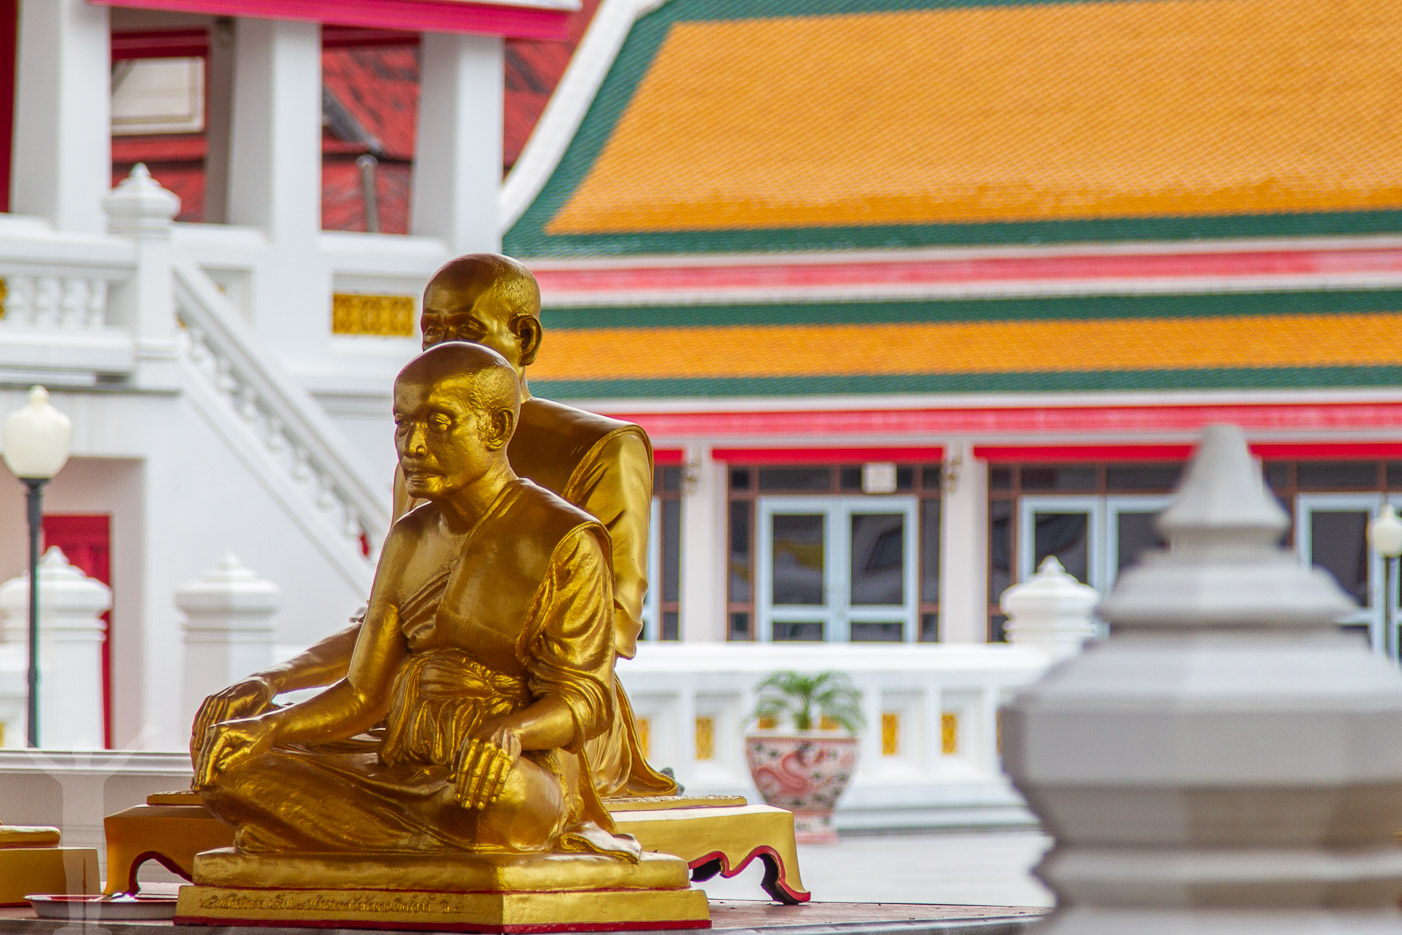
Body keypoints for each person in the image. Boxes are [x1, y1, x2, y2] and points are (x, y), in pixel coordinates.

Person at [192, 254, 673, 798]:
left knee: (484, 787)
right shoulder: (426, 459)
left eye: (467, 330)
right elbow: (388, 628)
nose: (446, 348)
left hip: (545, 718)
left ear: (526, 340)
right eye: (432, 332)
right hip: (414, 703)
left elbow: (609, 633)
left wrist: (494, 708)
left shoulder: (600, 449)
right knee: (253, 758)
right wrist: (273, 683)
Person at [193, 343, 637, 858]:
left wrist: (511, 731)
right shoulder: (410, 538)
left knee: (501, 798)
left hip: (501, 769)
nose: (413, 445)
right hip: (404, 762)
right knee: (230, 767)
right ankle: (401, 847)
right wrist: (269, 725)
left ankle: (334, 840)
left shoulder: (562, 538)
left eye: (439, 422)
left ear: (495, 427)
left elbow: (584, 700)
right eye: (403, 425)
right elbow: (363, 696)